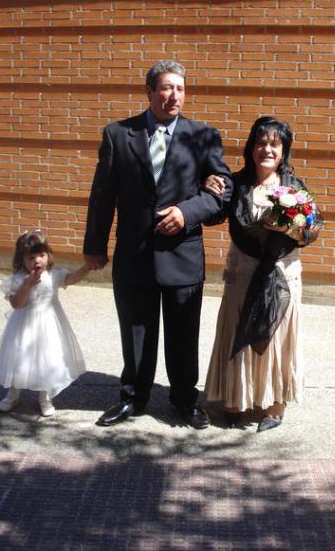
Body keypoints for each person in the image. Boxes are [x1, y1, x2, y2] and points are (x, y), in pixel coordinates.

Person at [84, 60, 232, 429]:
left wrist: (186, 212)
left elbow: (223, 192)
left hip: (182, 255)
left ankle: (184, 399)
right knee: (136, 332)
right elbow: (102, 195)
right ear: (149, 91)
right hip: (133, 255)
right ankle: (133, 397)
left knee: (183, 334)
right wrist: (94, 246)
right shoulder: (118, 134)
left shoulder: (204, 137)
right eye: (167, 88)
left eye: (180, 88)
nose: (174, 95)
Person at [204, 116, 323, 432]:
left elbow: (313, 230)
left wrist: (289, 229)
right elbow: (212, 217)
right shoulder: (236, 183)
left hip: (282, 276)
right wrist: (208, 188)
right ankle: (235, 398)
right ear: (251, 147)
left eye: (274, 144)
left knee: (276, 339)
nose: (267, 149)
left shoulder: (294, 188)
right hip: (242, 273)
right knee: (237, 330)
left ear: (284, 151)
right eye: (261, 143)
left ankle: (275, 405)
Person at [0, 230, 91, 417]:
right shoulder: (18, 280)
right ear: (21, 259)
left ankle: (45, 397)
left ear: (48, 256)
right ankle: (13, 394)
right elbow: (17, 304)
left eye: (41, 255)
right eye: (31, 257)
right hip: (23, 327)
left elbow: (72, 278)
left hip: (49, 325)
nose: (37, 261)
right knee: (18, 359)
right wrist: (27, 285)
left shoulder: (53, 276)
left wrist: (86, 268)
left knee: (48, 359)